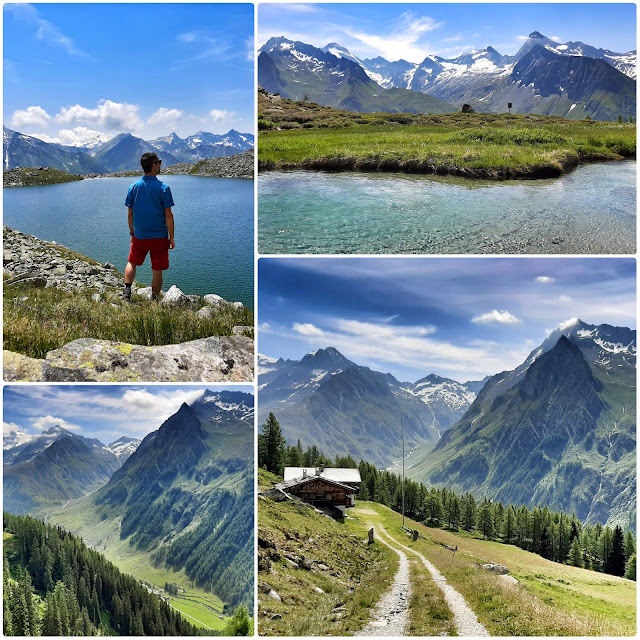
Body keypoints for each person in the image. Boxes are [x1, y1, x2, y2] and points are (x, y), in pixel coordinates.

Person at [122, 152, 175, 301]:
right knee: (157, 269)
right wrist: (171, 238)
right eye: (159, 162)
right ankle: (154, 300)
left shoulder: (133, 187)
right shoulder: (164, 188)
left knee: (132, 262)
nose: (160, 165)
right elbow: (169, 216)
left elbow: (130, 214)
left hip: (140, 236)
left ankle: (127, 292)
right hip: (159, 237)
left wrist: (132, 231)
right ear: (153, 165)